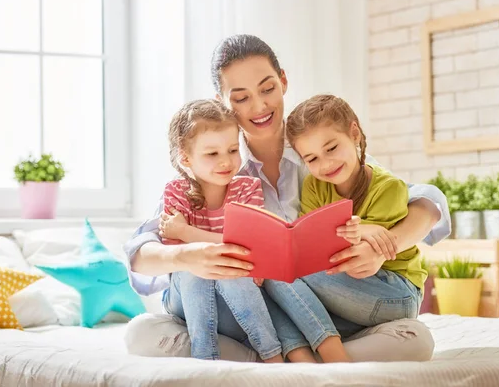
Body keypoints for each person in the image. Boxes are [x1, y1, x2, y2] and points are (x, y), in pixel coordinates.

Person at [124, 34, 450, 362]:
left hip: (325, 306)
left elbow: (424, 202)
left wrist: (385, 244)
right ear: (223, 102)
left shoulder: (318, 150)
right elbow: (142, 250)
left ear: (283, 82)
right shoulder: (215, 165)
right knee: (143, 334)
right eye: (241, 98)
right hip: (253, 311)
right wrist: (188, 255)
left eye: (267, 89)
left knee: (414, 339)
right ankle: (291, 357)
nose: (259, 106)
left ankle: (282, 357)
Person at [262, 94, 428, 362]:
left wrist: (360, 232)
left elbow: (365, 256)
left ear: (354, 133)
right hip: (346, 293)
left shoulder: (388, 187)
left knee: (280, 271)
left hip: (395, 292)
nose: (325, 164)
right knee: (277, 291)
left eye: (331, 148)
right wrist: (360, 230)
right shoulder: (314, 186)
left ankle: (332, 358)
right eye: (312, 158)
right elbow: (311, 242)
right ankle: (303, 357)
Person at [159, 98, 283, 362]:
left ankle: (274, 359)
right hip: (186, 295)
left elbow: (251, 249)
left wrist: (190, 233)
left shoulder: (248, 189)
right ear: (186, 157)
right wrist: (220, 246)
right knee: (196, 267)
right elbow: (177, 255)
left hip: (237, 291)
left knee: (231, 270)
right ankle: (205, 361)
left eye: (232, 150)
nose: (226, 161)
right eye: (212, 154)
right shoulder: (175, 192)